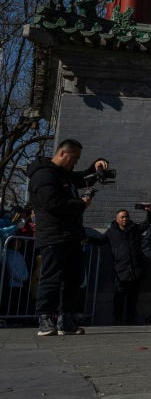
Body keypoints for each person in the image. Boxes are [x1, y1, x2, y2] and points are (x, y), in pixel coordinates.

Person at [27, 139, 109, 336]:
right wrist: (81, 204)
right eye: (75, 158)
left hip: (71, 235)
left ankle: (67, 319)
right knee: (51, 277)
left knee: (73, 279)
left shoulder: (63, 175)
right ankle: (46, 318)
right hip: (54, 235)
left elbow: (81, 179)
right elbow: (52, 203)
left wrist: (96, 165)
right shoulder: (44, 174)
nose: (76, 162)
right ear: (63, 154)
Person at [103, 209, 148, 325]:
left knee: (133, 297)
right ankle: (117, 318)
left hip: (134, 269)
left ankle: (130, 318)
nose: (125, 219)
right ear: (117, 219)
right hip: (120, 270)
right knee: (119, 296)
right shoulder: (111, 232)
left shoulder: (135, 229)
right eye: (122, 217)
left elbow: (147, 223)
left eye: (126, 217)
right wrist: (86, 238)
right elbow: (100, 241)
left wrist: (150, 211)